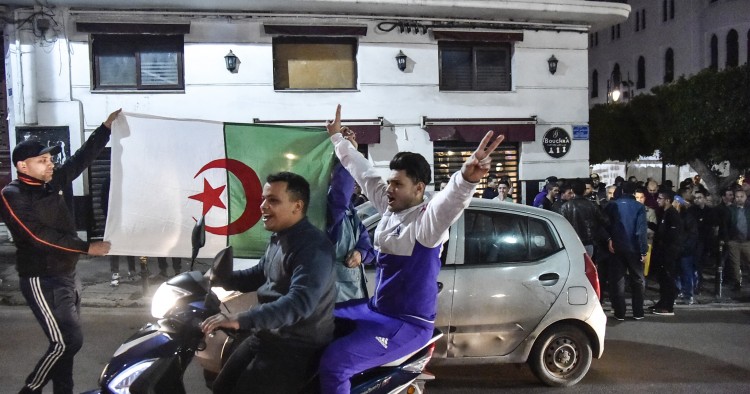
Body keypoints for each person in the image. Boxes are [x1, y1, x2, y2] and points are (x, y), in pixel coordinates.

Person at [319, 104, 503, 393]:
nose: (389, 189)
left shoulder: (427, 224)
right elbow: (365, 175)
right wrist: (338, 140)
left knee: (335, 364)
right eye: (390, 182)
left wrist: (466, 179)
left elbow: (449, 204)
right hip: (376, 311)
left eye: (398, 184)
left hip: (407, 325)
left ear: (418, 188)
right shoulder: (392, 208)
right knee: (314, 322)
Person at [0, 109, 119, 394]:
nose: (49, 164)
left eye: (50, 159)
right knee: (67, 342)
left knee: (64, 345)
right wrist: (87, 247)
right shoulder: (12, 194)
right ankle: (31, 388)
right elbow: (36, 236)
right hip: (42, 279)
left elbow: (80, 160)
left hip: (67, 276)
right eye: (42, 161)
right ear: (22, 166)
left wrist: (105, 128)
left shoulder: (49, 184)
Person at [200, 171, 336, 393]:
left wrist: (241, 318)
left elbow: (299, 303)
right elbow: (260, 274)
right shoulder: (280, 237)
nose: (263, 206)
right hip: (267, 336)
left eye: (273, 200)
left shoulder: (313, 248)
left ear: (297, 206)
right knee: (222, 387)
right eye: (264, 199)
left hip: (295, 347)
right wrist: (218, 279)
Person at [328, 157, 375, 302]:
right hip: (335, 302)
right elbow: (340, 192)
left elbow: (368, 245)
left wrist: (361, 254)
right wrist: (347, 154)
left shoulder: (350, 211)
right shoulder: (330, 208)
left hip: (354, 297)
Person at [604, 181, 648, 321]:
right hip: (634, 248)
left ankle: (619, 312)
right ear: (634, 192)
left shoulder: (612, 205)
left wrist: (609, 239)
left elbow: (605, 224)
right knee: (638, 280)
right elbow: (641, 231)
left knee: (618, 280)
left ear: (621, 191)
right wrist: (643, 251)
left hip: (616, 247)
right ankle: (638, 312)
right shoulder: (639, 207)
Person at [650, 190, 682, 316]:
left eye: (660, 198)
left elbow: (673, 235)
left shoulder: (672, 214)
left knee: (668, 279)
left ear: (667, 200)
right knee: (662, 279)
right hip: (663, 253)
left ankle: (668, 306)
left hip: (669, 253)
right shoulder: (665, 213)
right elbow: (661, 230)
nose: (658, 200)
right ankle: (662, 302)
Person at [559, 179, 610, 257]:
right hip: (590, 242)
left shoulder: (565, 207)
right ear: (584, 190)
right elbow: (604, 221)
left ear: (572, 190)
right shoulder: (592, 205)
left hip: (572, 243)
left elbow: (561, 227)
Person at [674, 195, 698, 305]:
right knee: (676, 273)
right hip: (676, 249)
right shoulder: (673, 216)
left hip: (685, 250)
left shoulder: (688, 217)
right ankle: (678, 292)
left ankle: (688, 294)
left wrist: (684, 247)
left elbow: (692, 235)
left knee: (686, 272)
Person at [726, 188, 750, 293]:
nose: (739, 199)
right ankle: (737, 283)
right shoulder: (731, 209)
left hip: (747, 241)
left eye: (742, 196)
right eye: (737, 197)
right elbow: (726, 224)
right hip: (734, 240)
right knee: (735, 263)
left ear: (746, 197)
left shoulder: (748, 209)